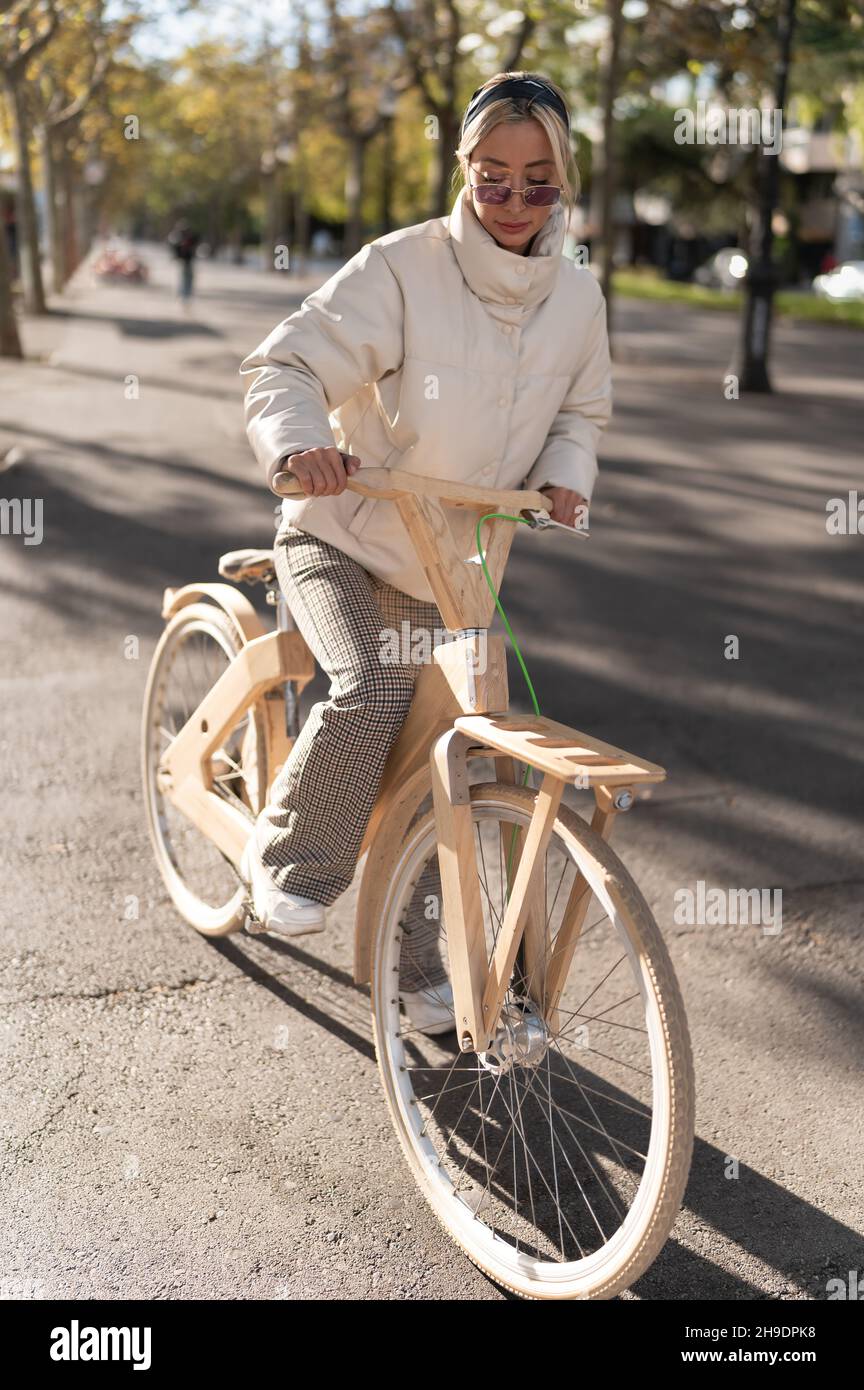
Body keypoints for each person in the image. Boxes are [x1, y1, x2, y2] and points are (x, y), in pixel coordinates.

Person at [238, 71, 612, 1034]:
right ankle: (291, 861)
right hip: (344, 535)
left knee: (446, 759)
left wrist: (568, 474)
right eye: (496, 179)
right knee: (370, 691)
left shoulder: (578, 298)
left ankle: (418, 966)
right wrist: (299, 446)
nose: (517, 202)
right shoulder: (401, 267)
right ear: (466, 173)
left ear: (566, 180)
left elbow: (580, 411)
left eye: (540, 182)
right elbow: (288, 362)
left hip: (458, 570)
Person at [167, 218, 200, 302]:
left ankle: (185, 292)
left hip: (188, 259)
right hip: (184, 260)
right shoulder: (177, 237)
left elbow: (195, 244)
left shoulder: (189, 237)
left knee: (187, 276)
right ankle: (184, 293)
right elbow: (173, 247)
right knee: (184, 276)